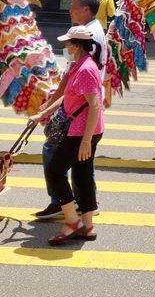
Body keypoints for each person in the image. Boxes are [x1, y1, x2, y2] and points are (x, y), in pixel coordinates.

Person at [35, 0, 107, 220]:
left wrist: (53, 102)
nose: (69, 10)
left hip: (79, 112)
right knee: (82, 164)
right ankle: (86, 206)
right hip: (80, 108)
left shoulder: (88, 36)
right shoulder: (90, 31)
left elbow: (77, 79)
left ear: (86, 9)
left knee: (54, 154)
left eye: (73, 6)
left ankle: (63, 202)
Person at [30, 25, 103, 244]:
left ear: (77, 45)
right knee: (82, 174)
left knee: (55, 171)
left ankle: (72, 221)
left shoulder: (85, 69)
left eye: (68, 42)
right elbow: (69, 97)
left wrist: (86, 141)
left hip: (81, 132)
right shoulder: (79, 65)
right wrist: (43, 113)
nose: (65, 45)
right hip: (83, 130)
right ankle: (88, 226)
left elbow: (95, 105)